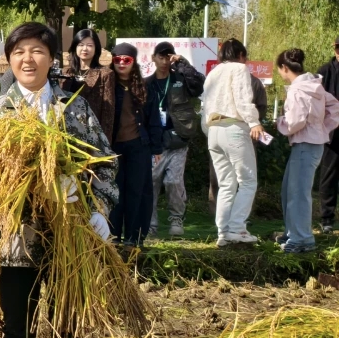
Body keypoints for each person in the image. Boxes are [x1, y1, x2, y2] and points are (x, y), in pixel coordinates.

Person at [0, 22, 117, 338]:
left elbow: (104, 162)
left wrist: (98, 207)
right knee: (17, 320)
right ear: (9, 60)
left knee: (68, 319)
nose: (28, 59)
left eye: (37, 51)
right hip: (17, 238)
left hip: (70, 233)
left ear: (52, 58)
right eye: (19, 52)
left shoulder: (74, 107)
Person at [82, 44, 163, 248]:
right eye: (117, 59)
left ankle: (135, 237)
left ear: (133, 62)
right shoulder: (108, 86)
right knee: (114, 191)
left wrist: (157, 148)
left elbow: (154, 120)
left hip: (139, 146)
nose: (121, 63)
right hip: (113, 147)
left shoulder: (145, 87)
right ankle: (113, 236)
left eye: (126, 60)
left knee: (138, 192)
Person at [201, 38, 267, 246]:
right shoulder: (239, 69)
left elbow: (205, 106)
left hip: (213, 130)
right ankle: (237, 228)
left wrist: (209, 131)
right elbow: (242, 99)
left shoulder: (213, 73)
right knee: (247, 181)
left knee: (226, 184)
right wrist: (254, 122)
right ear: (241, 55)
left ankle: (223, 233)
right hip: (234, 128)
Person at [274, 48, 339, 253]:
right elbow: (335, 107)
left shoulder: (297, 89)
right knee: (290, 190)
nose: (279, 73)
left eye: (279, 69)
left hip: (304, 144)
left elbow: (295, 121)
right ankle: (292, 233)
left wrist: (280, 123)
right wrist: (322, 128)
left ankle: (302, 239)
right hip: (312, 143)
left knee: (298, 193)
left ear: (285, 67)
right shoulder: (314, 85)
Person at [145, 42, 206, 238]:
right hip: (155, 143)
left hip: (178, 139)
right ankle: (150, 224)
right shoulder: (146, 83)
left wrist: (182, 63)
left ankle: (176, 219)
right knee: (151, 182)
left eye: (168, 56)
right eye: (161, 57)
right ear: (153, 58)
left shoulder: (180, 79)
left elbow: (199, 85)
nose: (164, 61)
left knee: (173, 181)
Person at [317, 37, 339, 233]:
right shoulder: (324, 72)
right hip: (331, 133)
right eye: (338, 48)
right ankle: (327, 219)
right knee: (329, 175)